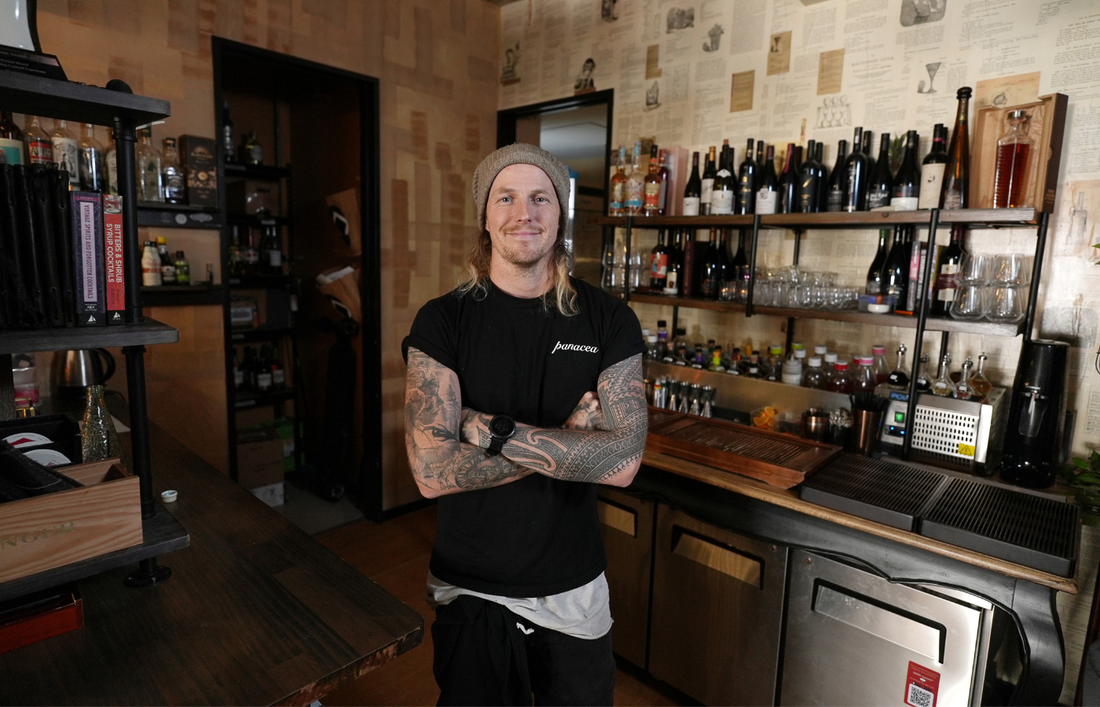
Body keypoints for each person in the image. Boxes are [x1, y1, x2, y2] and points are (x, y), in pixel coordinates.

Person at [402, 143, 648, 706]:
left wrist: (490, 431)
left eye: (541, 198)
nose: (524, 213)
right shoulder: (442, 320)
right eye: (506, 197)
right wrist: (573, 441)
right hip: (470, 585)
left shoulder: (609, 319)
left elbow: (623, 463)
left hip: (574, 587)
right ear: (486, 217)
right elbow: (432, 473)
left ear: (560, 214)